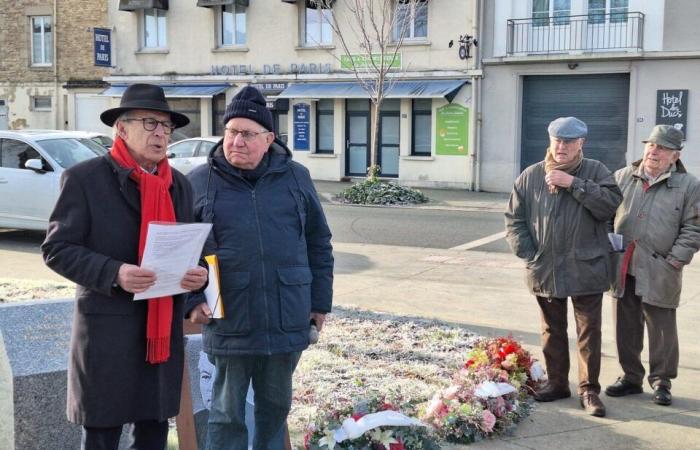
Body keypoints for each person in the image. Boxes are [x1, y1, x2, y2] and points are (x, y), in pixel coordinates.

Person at [41, 83, 208, 450]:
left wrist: (198, 276)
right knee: (102, 435)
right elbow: (57, 249)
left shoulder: (178, 186)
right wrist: (115, 272)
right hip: (107, 333)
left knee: (152, 433)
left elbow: (189, 250)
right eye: (150, 123)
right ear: (121, 127)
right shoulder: (85, 179)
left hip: (158, 333)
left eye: (167, 126)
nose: (161, 134)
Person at [186, 86, 334, 449]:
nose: (237, 141)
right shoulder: (197, 181)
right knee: (224, 413)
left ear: (269, 138)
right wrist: (191, 300)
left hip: (286, 315)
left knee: (275, 409)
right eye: (231, 131)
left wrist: (319, 304)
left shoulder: (296, 177)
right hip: (229, 319)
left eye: (248, 134)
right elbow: (181, 251)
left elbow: (318, 243)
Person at [505, 117, 622, 417]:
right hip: (546, 268)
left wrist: (574, 185)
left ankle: (589, 390)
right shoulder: (530, 176)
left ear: (581, 143)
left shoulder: (596, 171)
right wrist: (531, 254)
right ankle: (557, 383)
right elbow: (514, 220)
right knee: (551, 330)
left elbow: (609, 207)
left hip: (587, 267)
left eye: (569, 142)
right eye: (557, 140)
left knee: (588, 333)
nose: (561, 147)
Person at [605, 125, 700, 406]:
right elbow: (603, 214)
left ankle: (662, 380)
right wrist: (610, 250)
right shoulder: (623, 177)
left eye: (662, 148)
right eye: (650, 145)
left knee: (661, 327)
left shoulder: (688, 185)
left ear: (675, 155)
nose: (653, 152)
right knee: (625, 324)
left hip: (661, 266)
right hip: (624, 264)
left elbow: (694, 227)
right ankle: (631, 377)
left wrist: (675, 259)